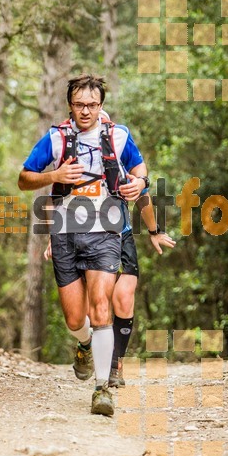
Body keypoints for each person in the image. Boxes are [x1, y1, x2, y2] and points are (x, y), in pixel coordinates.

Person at [19, 73, 167, 416]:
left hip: (107, 229)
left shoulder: (118, 134)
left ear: (101, 105)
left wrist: (139, 182)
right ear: (70, 105)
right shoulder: (55, 139)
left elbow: (140, 168)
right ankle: (84, 344)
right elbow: (24, 178)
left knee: (102, 302)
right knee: (75, 319)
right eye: (79, 104)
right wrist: (53, 176)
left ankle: (103, 389)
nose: (85, 111)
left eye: (92, 104)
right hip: (66, 231)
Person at [42, 110, 176, 389]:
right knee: (93, 306)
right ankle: (89, 347)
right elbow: (58, 198)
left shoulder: (119, 153)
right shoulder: (72, 156)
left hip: (120, 235)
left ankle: (116, 363)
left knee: (124, 297)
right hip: (81, 235)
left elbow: (142, 192)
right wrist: (52, 238)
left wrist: (154, 231)